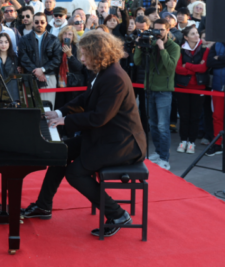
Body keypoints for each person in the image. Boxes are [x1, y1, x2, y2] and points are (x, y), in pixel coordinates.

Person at [23, 32, 146, 239]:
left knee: (75, 172)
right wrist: (61, 112)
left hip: (122, 144)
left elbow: (99, 117)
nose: (81, 59)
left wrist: (66, 121)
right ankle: (43, 206)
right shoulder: (104, 72)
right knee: (60, 152)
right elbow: (86, 97)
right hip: (106, 136)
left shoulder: (114, 78)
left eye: (85, 54)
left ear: (99, 54)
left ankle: (117, 215)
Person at [134, 18, 180, 170]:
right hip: (149, 90)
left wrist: (162, 49)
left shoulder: (173, 47)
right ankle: (159, 153)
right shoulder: (151, 43)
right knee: (153, 124)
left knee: (162, 126)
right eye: (156, 29)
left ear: (168, 30)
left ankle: (165, 158)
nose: (158, 33)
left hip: (164, 92)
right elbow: (137, 61)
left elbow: (170, 67)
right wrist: (140, 45)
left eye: (161, 29)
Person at [174, 25, 208, 155]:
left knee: (195, 116)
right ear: (186, 37)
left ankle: (192, 142)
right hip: (182, 87)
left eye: (197, 33)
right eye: (193, 34)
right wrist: (195, 68)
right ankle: (183, 141)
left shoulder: (204, 49)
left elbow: (204, 68)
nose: (197, 36)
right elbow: (178, 69)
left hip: (199, 87)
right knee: (184, 116)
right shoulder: (180, 49)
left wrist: (187, 66)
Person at [19, 13, 62, 106]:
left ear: (46, 23)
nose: (39, 24)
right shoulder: (24, 39)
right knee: (31, 108)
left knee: (48, 107)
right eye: (37, 22)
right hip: (30, 77)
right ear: (33, 23)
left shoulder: (54, 40)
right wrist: (36, 72)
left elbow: (57, 59)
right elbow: (23, 58)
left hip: (48, 77)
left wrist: (42, 70)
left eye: (42, 22)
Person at [55, 25, 87, 108]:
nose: (67, 36)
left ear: (73, 36)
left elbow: (79, 67)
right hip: (59, 80)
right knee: (59, 105)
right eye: (65, 34)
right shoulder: (56, 46)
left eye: (70, 34)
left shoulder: (77, 48)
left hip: (72, 82)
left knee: (70, 107)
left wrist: (70, 55)